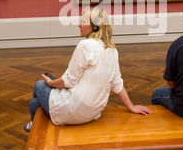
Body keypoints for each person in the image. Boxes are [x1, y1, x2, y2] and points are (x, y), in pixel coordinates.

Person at [24, 9, 152, 131]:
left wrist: (49, 83)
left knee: (39, 84)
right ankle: (34, 126)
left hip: (75, 110)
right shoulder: (112, 50)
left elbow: (69, 81)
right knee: (34, 104)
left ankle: (41, 134)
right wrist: (131, 106)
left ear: (95, 27)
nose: (79, 25)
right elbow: (117, 83)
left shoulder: (85, 45)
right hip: (93, 112)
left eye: (83, 22)